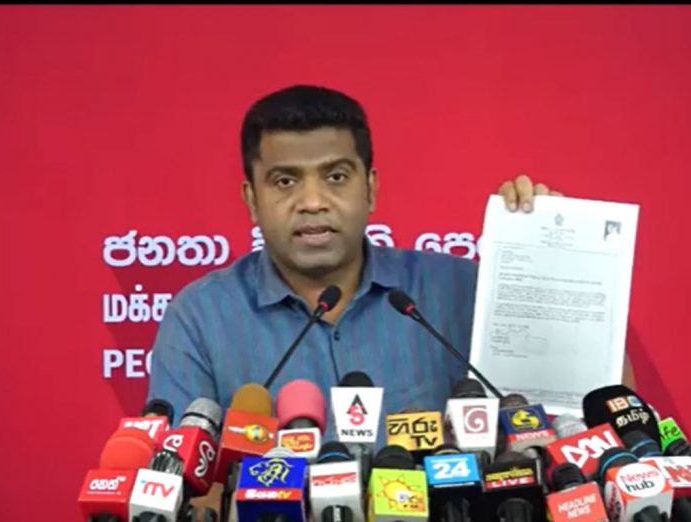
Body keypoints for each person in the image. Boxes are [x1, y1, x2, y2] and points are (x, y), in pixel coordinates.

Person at [146, 84, 633, 432]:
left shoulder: (461, 291)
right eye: (285, 181)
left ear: (371, 189)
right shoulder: (202, 316)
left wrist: (554, 266)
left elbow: (604, 414)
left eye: (336, 177)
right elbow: (180, 481)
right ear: (252, 200)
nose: (312, 201)